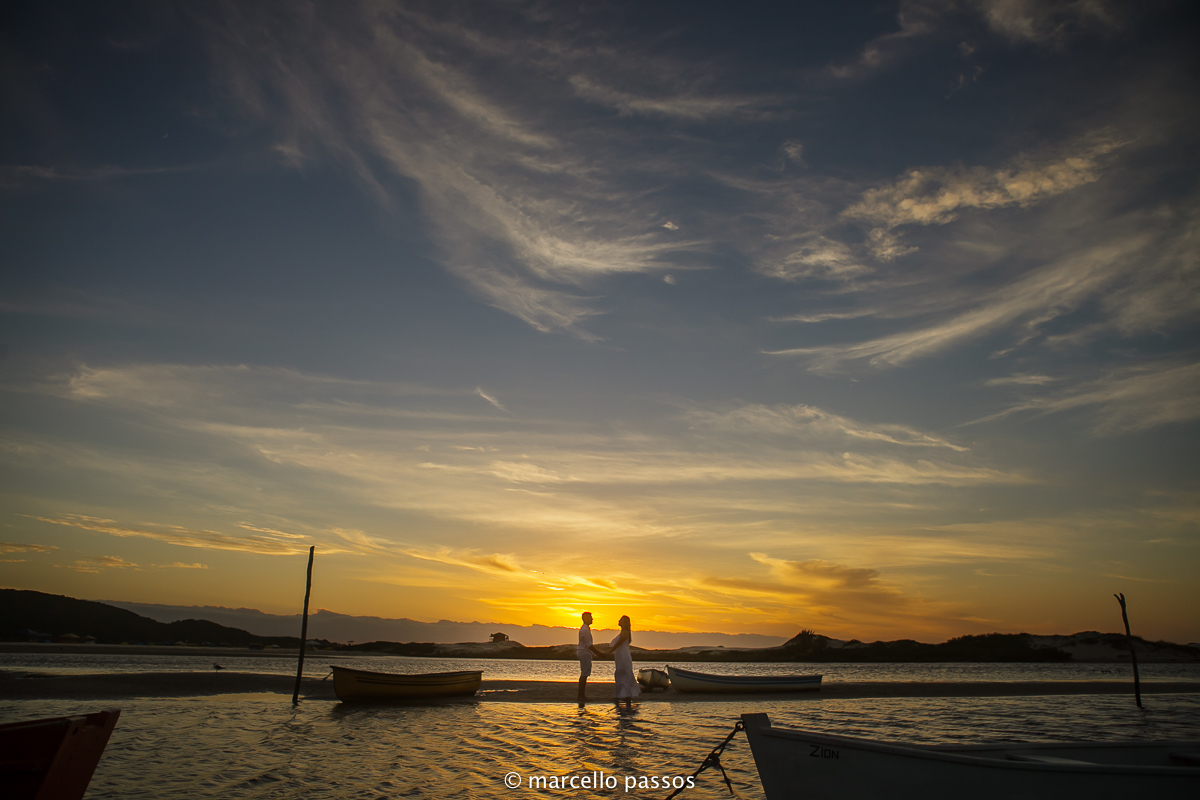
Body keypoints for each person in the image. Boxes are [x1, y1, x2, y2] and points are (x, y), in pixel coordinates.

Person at [610, 615, 641, 708]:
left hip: (623, 655)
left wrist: (608, 652)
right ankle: (621, 694)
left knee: (624, 673)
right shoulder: (622, 632)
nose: (619, 621)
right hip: (620, 655)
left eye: (621, 620)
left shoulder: (625, 633)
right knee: (620, 673)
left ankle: (627, 694)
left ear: (625, 623)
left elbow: (617, 644)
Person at [577, 611, 603, 704]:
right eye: (590, 617)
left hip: (585, 652)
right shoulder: (585, 630)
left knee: (585, 673)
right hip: (584, 652)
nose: (592, 619)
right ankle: (581, 695)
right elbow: (588, 644)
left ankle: (581, 695)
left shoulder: (586, 629)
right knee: (584, 673)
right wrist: (599, 653)